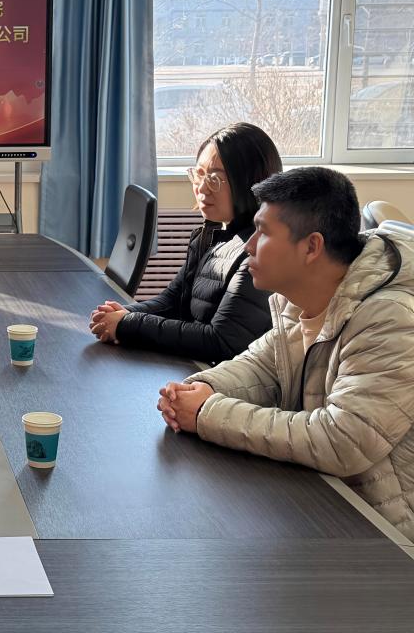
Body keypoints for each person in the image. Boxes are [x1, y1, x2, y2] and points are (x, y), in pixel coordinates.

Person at [157, 167, 414, 540]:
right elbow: (260, 366)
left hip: (385, 537)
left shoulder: (391, 318)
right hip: (323, 505)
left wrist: (206, 413)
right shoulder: (303, 295)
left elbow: (342, 441)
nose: (248, 245)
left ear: (311, 247)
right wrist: (201, 389)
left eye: (263, 232)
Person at [89, 123, 282, 364]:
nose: (202, 188)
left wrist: (127, 324)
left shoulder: (260, 252)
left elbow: (221, 342)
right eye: (199, 174)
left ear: (250, 183)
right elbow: (172, 302)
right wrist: (123, 314)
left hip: (219, 380)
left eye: (215, 179)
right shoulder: (211, 234)